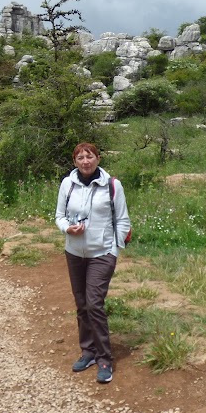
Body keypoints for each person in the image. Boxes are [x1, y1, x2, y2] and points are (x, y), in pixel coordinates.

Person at [55, 142, 130, 384]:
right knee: (81, 303)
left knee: (94, 303)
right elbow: (59, 215)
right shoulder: (68, 184)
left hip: (102, 253)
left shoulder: (112, 185)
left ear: (98, 158)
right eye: (80, 158)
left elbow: (122, 220)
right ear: (74, 161)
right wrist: (68, 228)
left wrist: (114, 249)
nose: (85, 161)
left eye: (89, 157)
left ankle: (104, 357)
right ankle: (88, 351)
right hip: (74, 252)